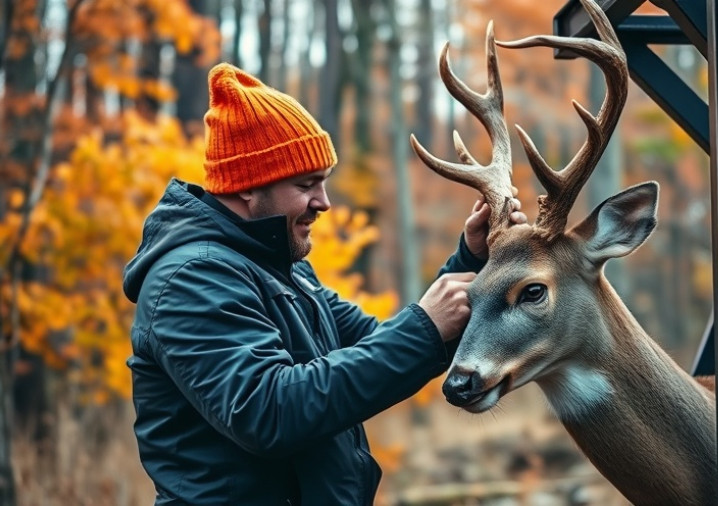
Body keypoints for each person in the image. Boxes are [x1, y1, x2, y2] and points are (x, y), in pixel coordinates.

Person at [122, 62, 524, 505]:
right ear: (247, 187)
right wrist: (425, 326)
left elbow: (384, 343)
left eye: (324, 183)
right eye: (306, 184)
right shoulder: (191, 278)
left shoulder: (282, 271)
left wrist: (473, 258)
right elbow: (267, 411)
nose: (324, 202)